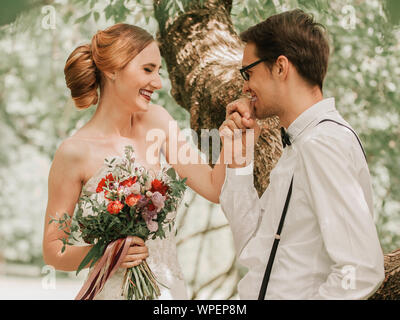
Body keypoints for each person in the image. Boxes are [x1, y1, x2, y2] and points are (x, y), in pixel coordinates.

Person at [42, 23, 227, 300]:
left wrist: (236, 139)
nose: (158, 82)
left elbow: (214, 188)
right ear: (113, 69)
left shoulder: (158, 121)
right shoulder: (74, 152)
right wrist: (107, 253)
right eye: (148, 69)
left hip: (168, 292)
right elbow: (53, 250)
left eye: (159, 71)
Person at [218, 9, 385, 299]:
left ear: (281, 67)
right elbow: (255, 249)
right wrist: (239, 162)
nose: (244, 87)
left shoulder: (323, 143)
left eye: (249, 73)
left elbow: (361, 269)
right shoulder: (302, 142)